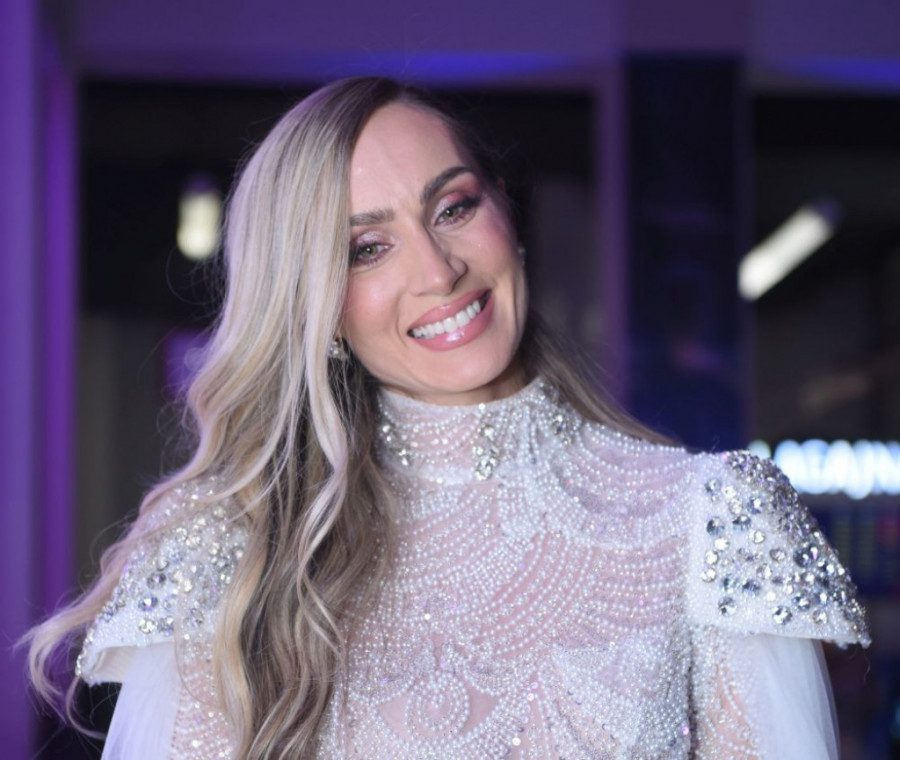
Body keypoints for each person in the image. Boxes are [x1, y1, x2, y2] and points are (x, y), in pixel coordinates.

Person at [28, 76, 869, 760]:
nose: (438, 270)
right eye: (367, 248)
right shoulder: (228, 546)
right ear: (317, 310)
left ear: (507, 216)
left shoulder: (715, 519)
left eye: (454, 207)